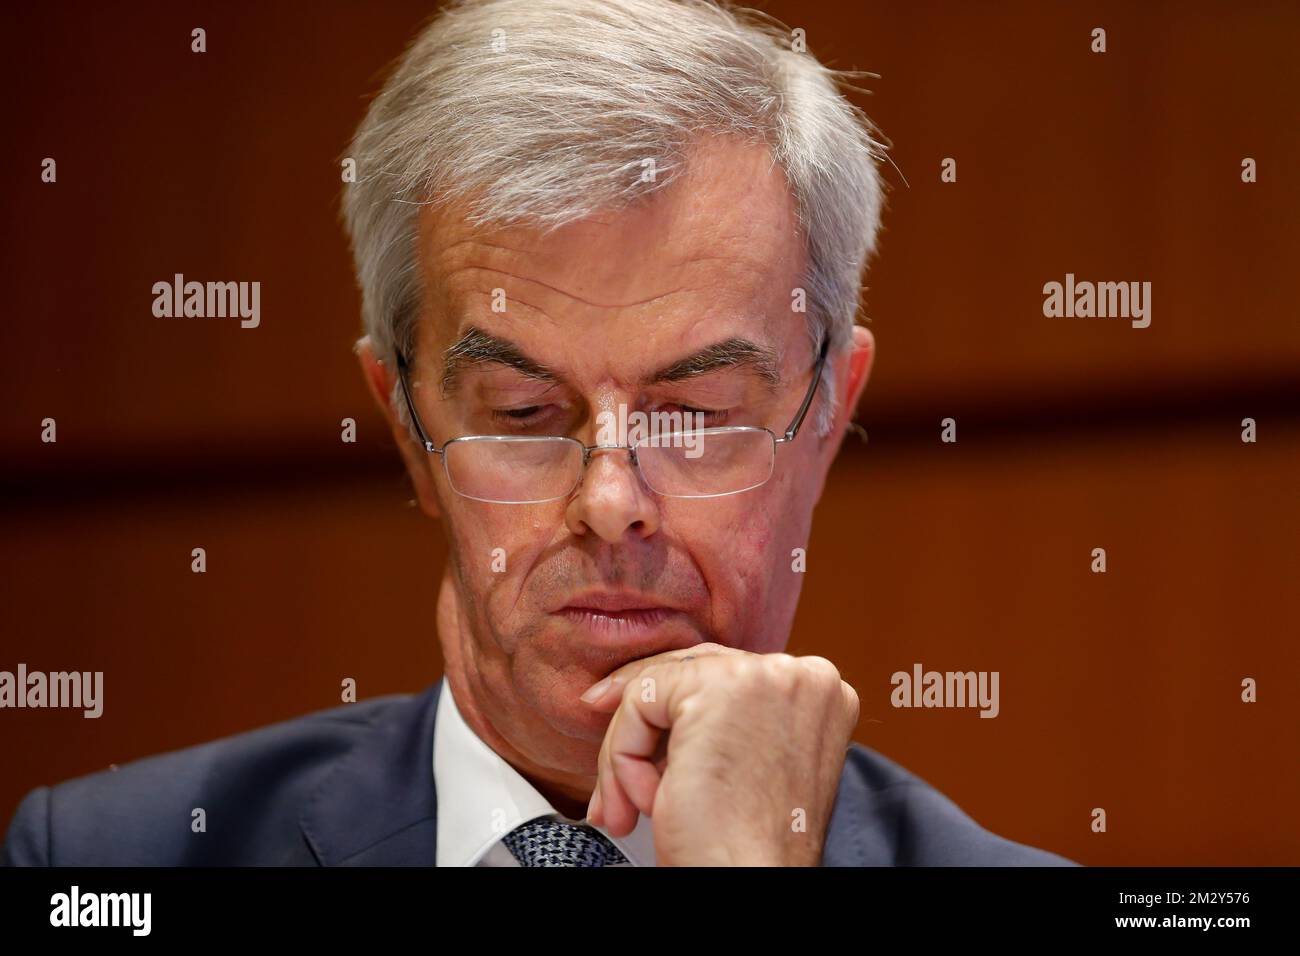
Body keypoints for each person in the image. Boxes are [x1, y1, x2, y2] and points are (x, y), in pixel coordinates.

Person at [2, 0, 1073, 867]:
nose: (611, 499)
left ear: (826, 415)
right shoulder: (105, 862)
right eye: (523, 414)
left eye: (692, 415)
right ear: (406, 423)